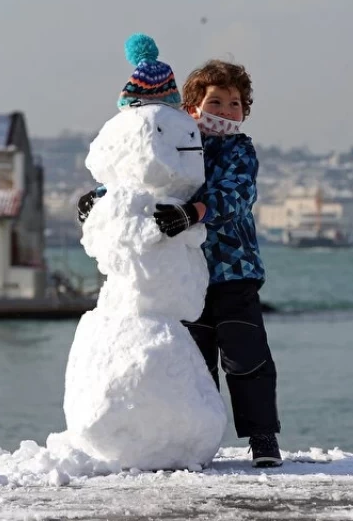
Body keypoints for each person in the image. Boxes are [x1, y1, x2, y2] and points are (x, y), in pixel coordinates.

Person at [78, 54, 282, 468]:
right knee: (195, 362)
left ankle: (262, 437)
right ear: (192, 107)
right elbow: (142, 179)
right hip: (186, 276)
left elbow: (237, 194)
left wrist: (195, 213)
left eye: (235, 104)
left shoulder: (239, 150)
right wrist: (99, 201)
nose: (226, 112)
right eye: (216, 103)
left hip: (233, 271)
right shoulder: (174, 142)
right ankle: (196, 439)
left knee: (247, 356)